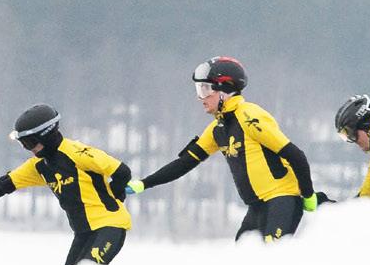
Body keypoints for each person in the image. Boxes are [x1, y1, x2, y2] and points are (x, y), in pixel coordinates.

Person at [128, 57, 317, 242]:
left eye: (205, 89)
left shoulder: (250, 117)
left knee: (269, 258)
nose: (200, 97)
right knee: (242, 258)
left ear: (225, 91)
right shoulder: (217, 128)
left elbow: (295, 155)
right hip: (256, 206)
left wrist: (308, 195)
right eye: (199, 89)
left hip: (282, 199)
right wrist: (143, 184)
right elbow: (184, 163)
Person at [0, 104, 134, 265]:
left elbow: (122, 172)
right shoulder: (39, 166)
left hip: (110, 226)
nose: (27, 149)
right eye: (23, 144)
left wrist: (116, 196)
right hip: (83, 232)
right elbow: (0, 187)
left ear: (47, 136)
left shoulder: (78, 153)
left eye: (29, 143)